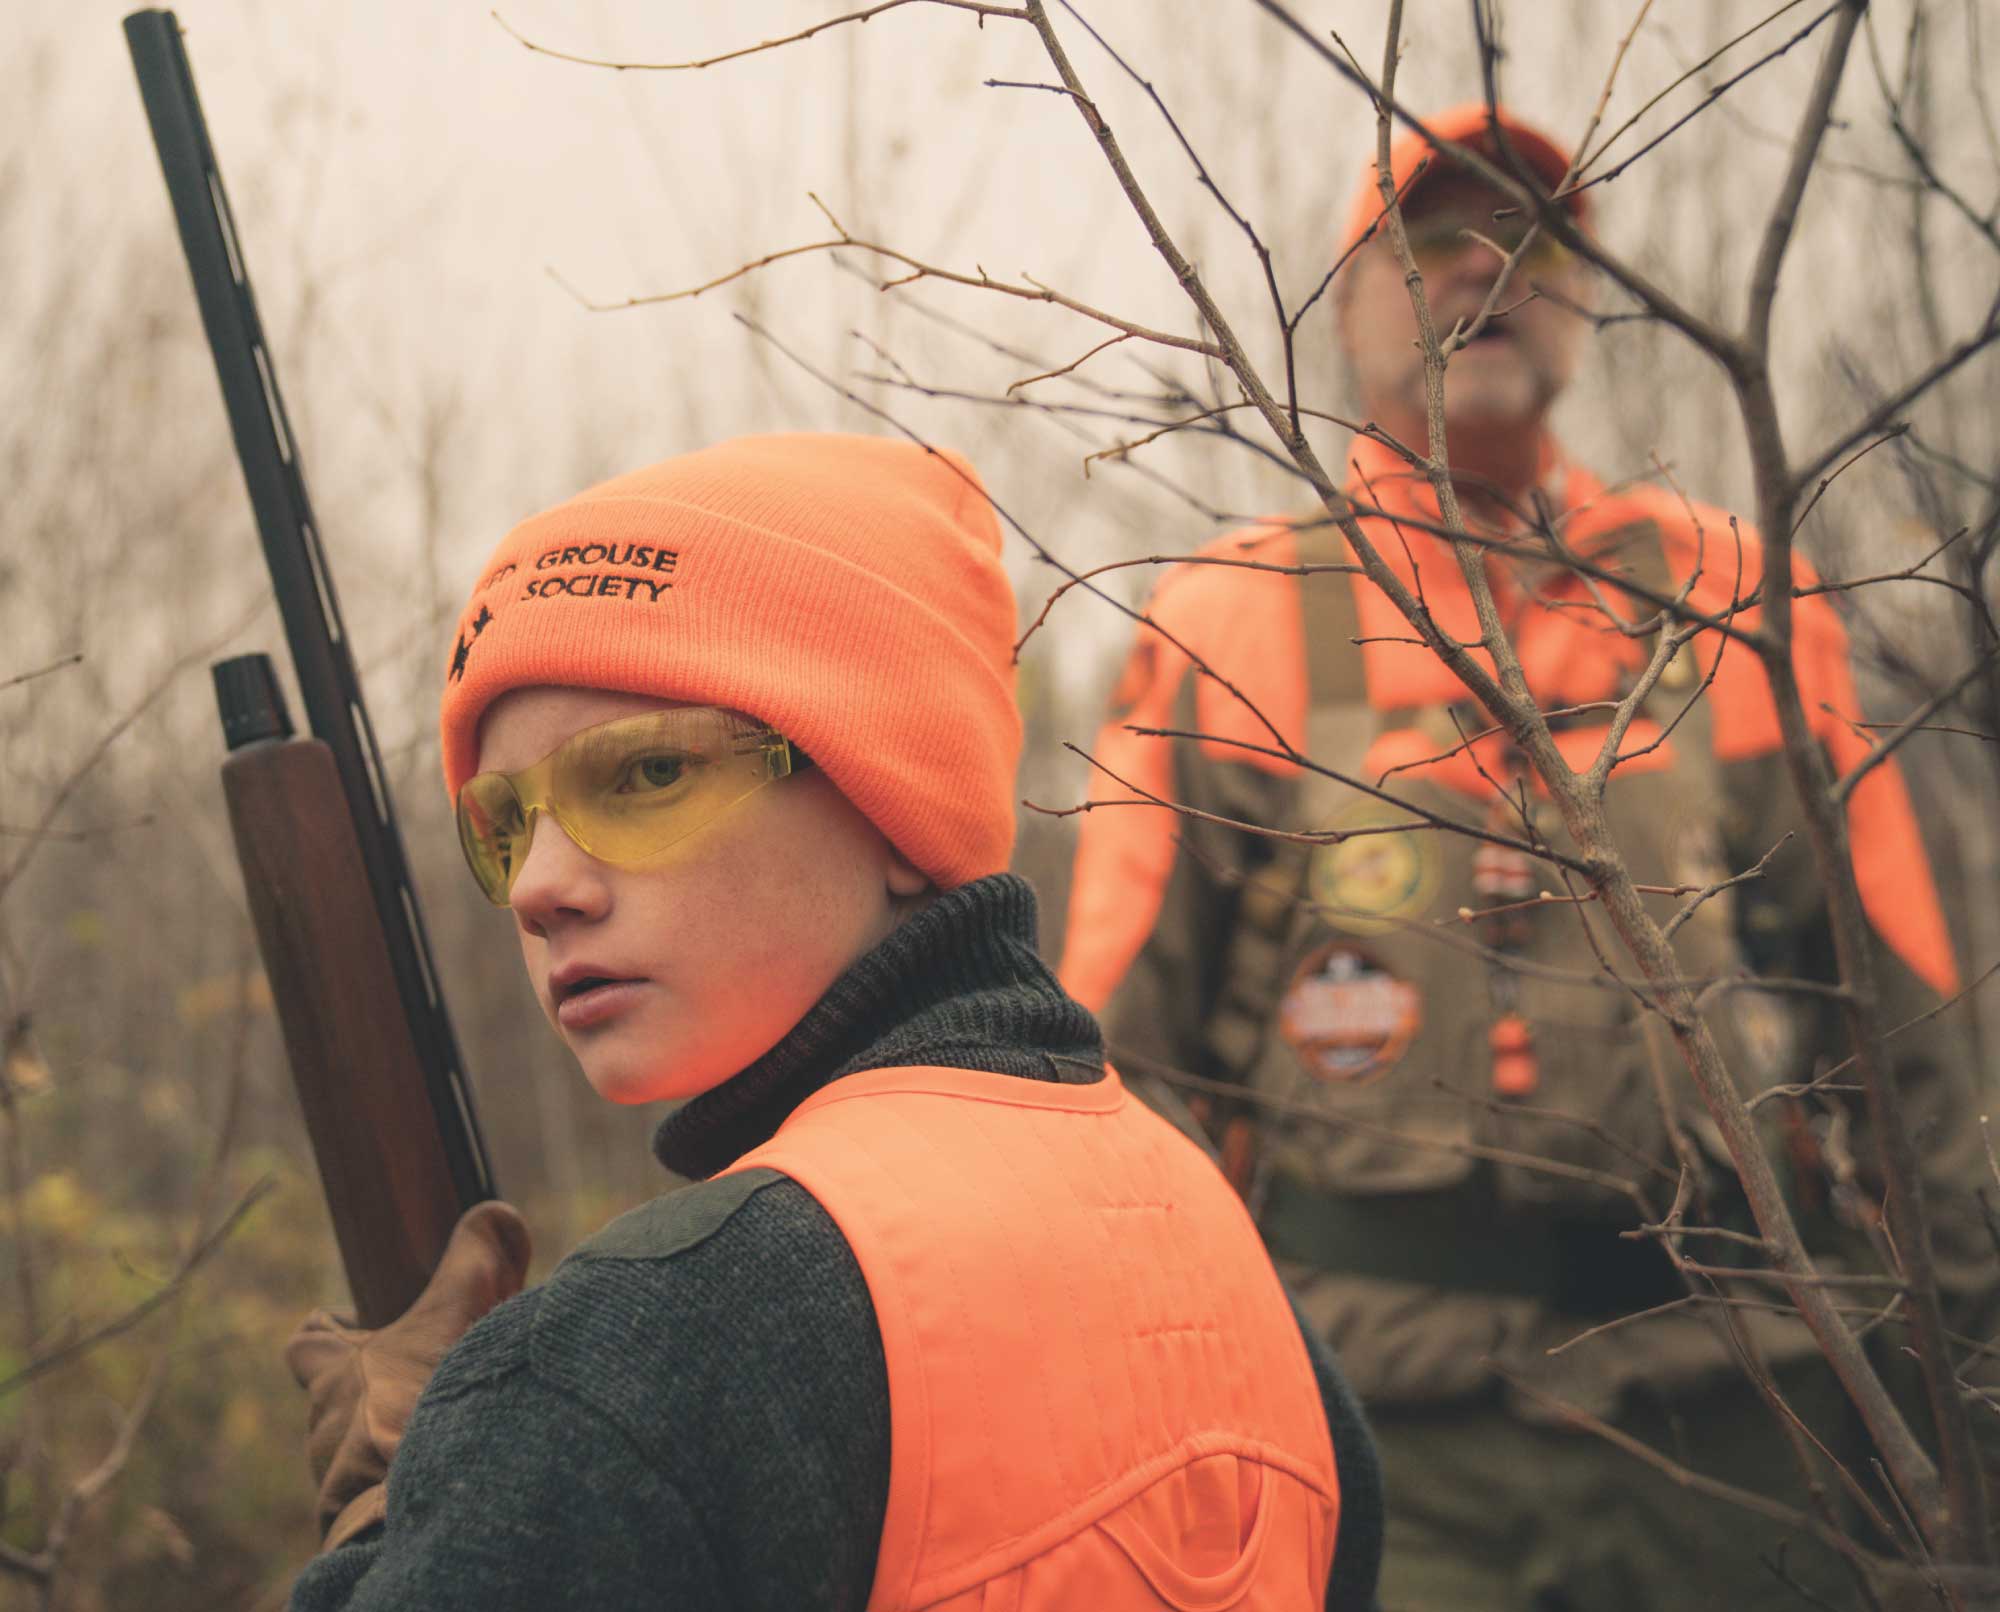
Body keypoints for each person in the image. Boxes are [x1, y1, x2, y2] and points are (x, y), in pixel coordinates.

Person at [1059, 107, 1998, 1610]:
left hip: (1751, 1416)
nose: (1484, 267)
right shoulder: (1225, 621)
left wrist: (1970, 1421)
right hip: (1381, 1436)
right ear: (1349, 291)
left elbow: (1915, 1038)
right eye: (1430, 238)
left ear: (1586, 294)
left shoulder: (1738, 597)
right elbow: (1109, 1072)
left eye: (1535, 240)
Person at [281, 432, 1386, 1612]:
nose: (543, 884)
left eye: (645, 776)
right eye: (503, 825)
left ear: (896, 805)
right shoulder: (1229, 1261)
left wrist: (389, 1515)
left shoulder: (623, 1357)